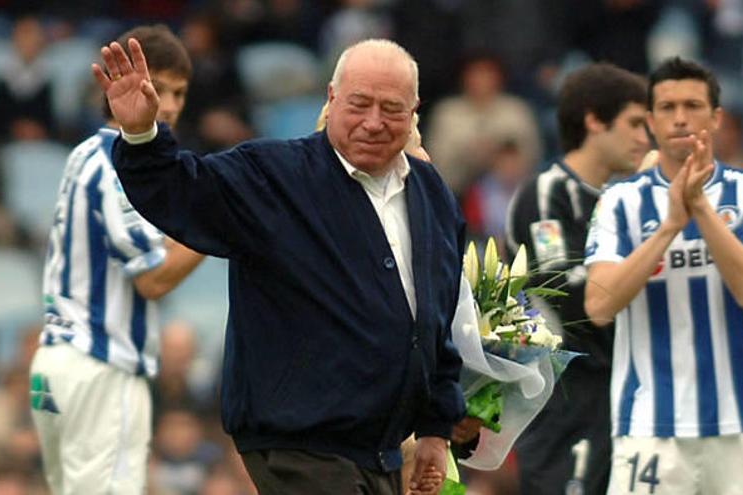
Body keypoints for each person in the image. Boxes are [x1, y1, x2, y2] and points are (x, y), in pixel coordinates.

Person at [93, 37, 466, 495]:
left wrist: (435, 429)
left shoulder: (433, 195)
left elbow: (435, 322)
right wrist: (142, 137)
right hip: (299, 444)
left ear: (414, 112)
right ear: (331, 99)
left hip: (380, 451)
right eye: (360, 104)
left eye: (390, 108)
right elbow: (181, 192)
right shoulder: (273, 174)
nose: (373, 122)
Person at [584, 57, 743, 494]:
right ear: (651, 121)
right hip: (650, 426)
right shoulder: (617, 202)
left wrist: (701, 209)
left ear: (715, 117)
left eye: (693, 105)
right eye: (667, 106)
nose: (680, 117)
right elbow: (598, 306)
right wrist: (670, 226)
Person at [29, 25, 206, 495]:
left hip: (58, 368)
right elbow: (152, 279)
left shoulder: (87, 155)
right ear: (116, 85)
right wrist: (221, 225)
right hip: (100, 367)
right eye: (157, 87)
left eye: (179, 92)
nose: (167, 103)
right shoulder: (113, 160)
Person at [506, 63, 648, 495]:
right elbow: (573, 297)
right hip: (567, 397)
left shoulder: (623, 203)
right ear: (593, 120)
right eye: (636, 123)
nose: (646, 138)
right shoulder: (549, 192)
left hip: (623, 395)